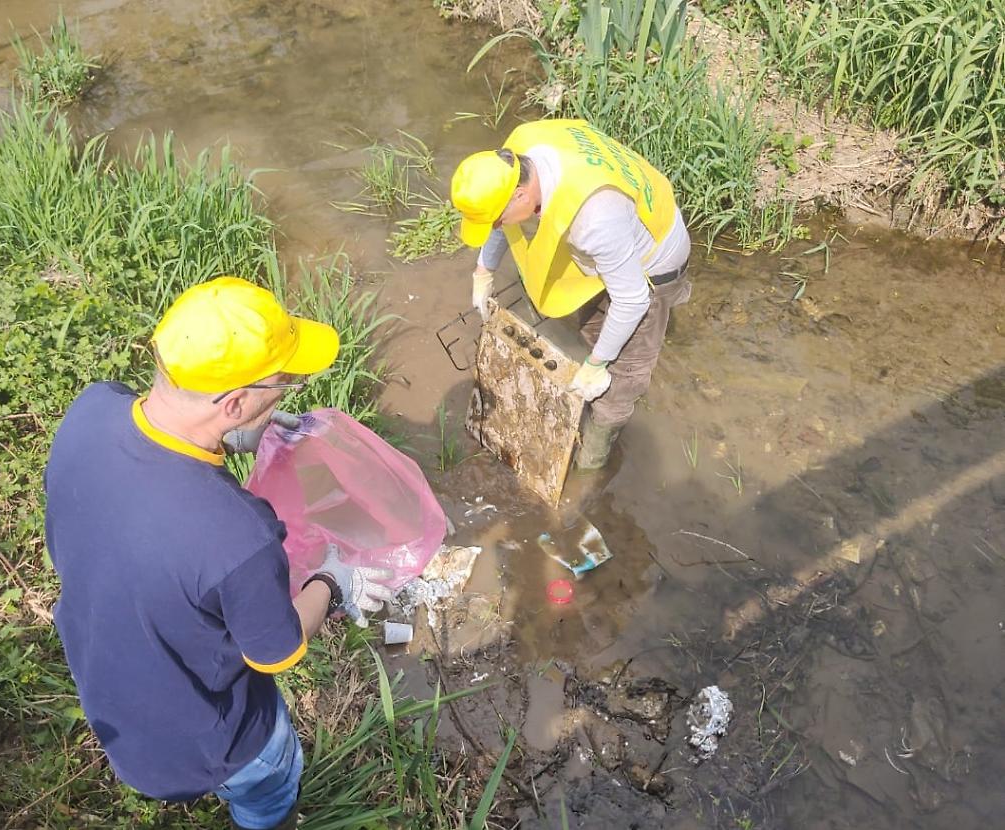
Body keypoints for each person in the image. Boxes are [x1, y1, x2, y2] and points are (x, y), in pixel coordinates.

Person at [44, 277, 394, 830]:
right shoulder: (240, 536)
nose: (286, 398)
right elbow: (276, 652)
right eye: (282, 390)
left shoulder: (90, 411)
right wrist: (330, 582)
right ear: (234, 402)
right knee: (270, 787)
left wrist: (252, 428)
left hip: (113, 701)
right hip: (218, 740)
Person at [451, 118, 692, 470]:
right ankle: (603, 356)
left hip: (651, 268)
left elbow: (633, 298)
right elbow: (502, 218)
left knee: (619, 380)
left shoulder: (594, 218)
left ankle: (589, 467)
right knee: (594, 329)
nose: (497, 227)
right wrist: (483, 270)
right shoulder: (521, 149)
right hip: (624, 230)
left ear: (521, 194)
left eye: (496, 220)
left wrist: (596, 365)